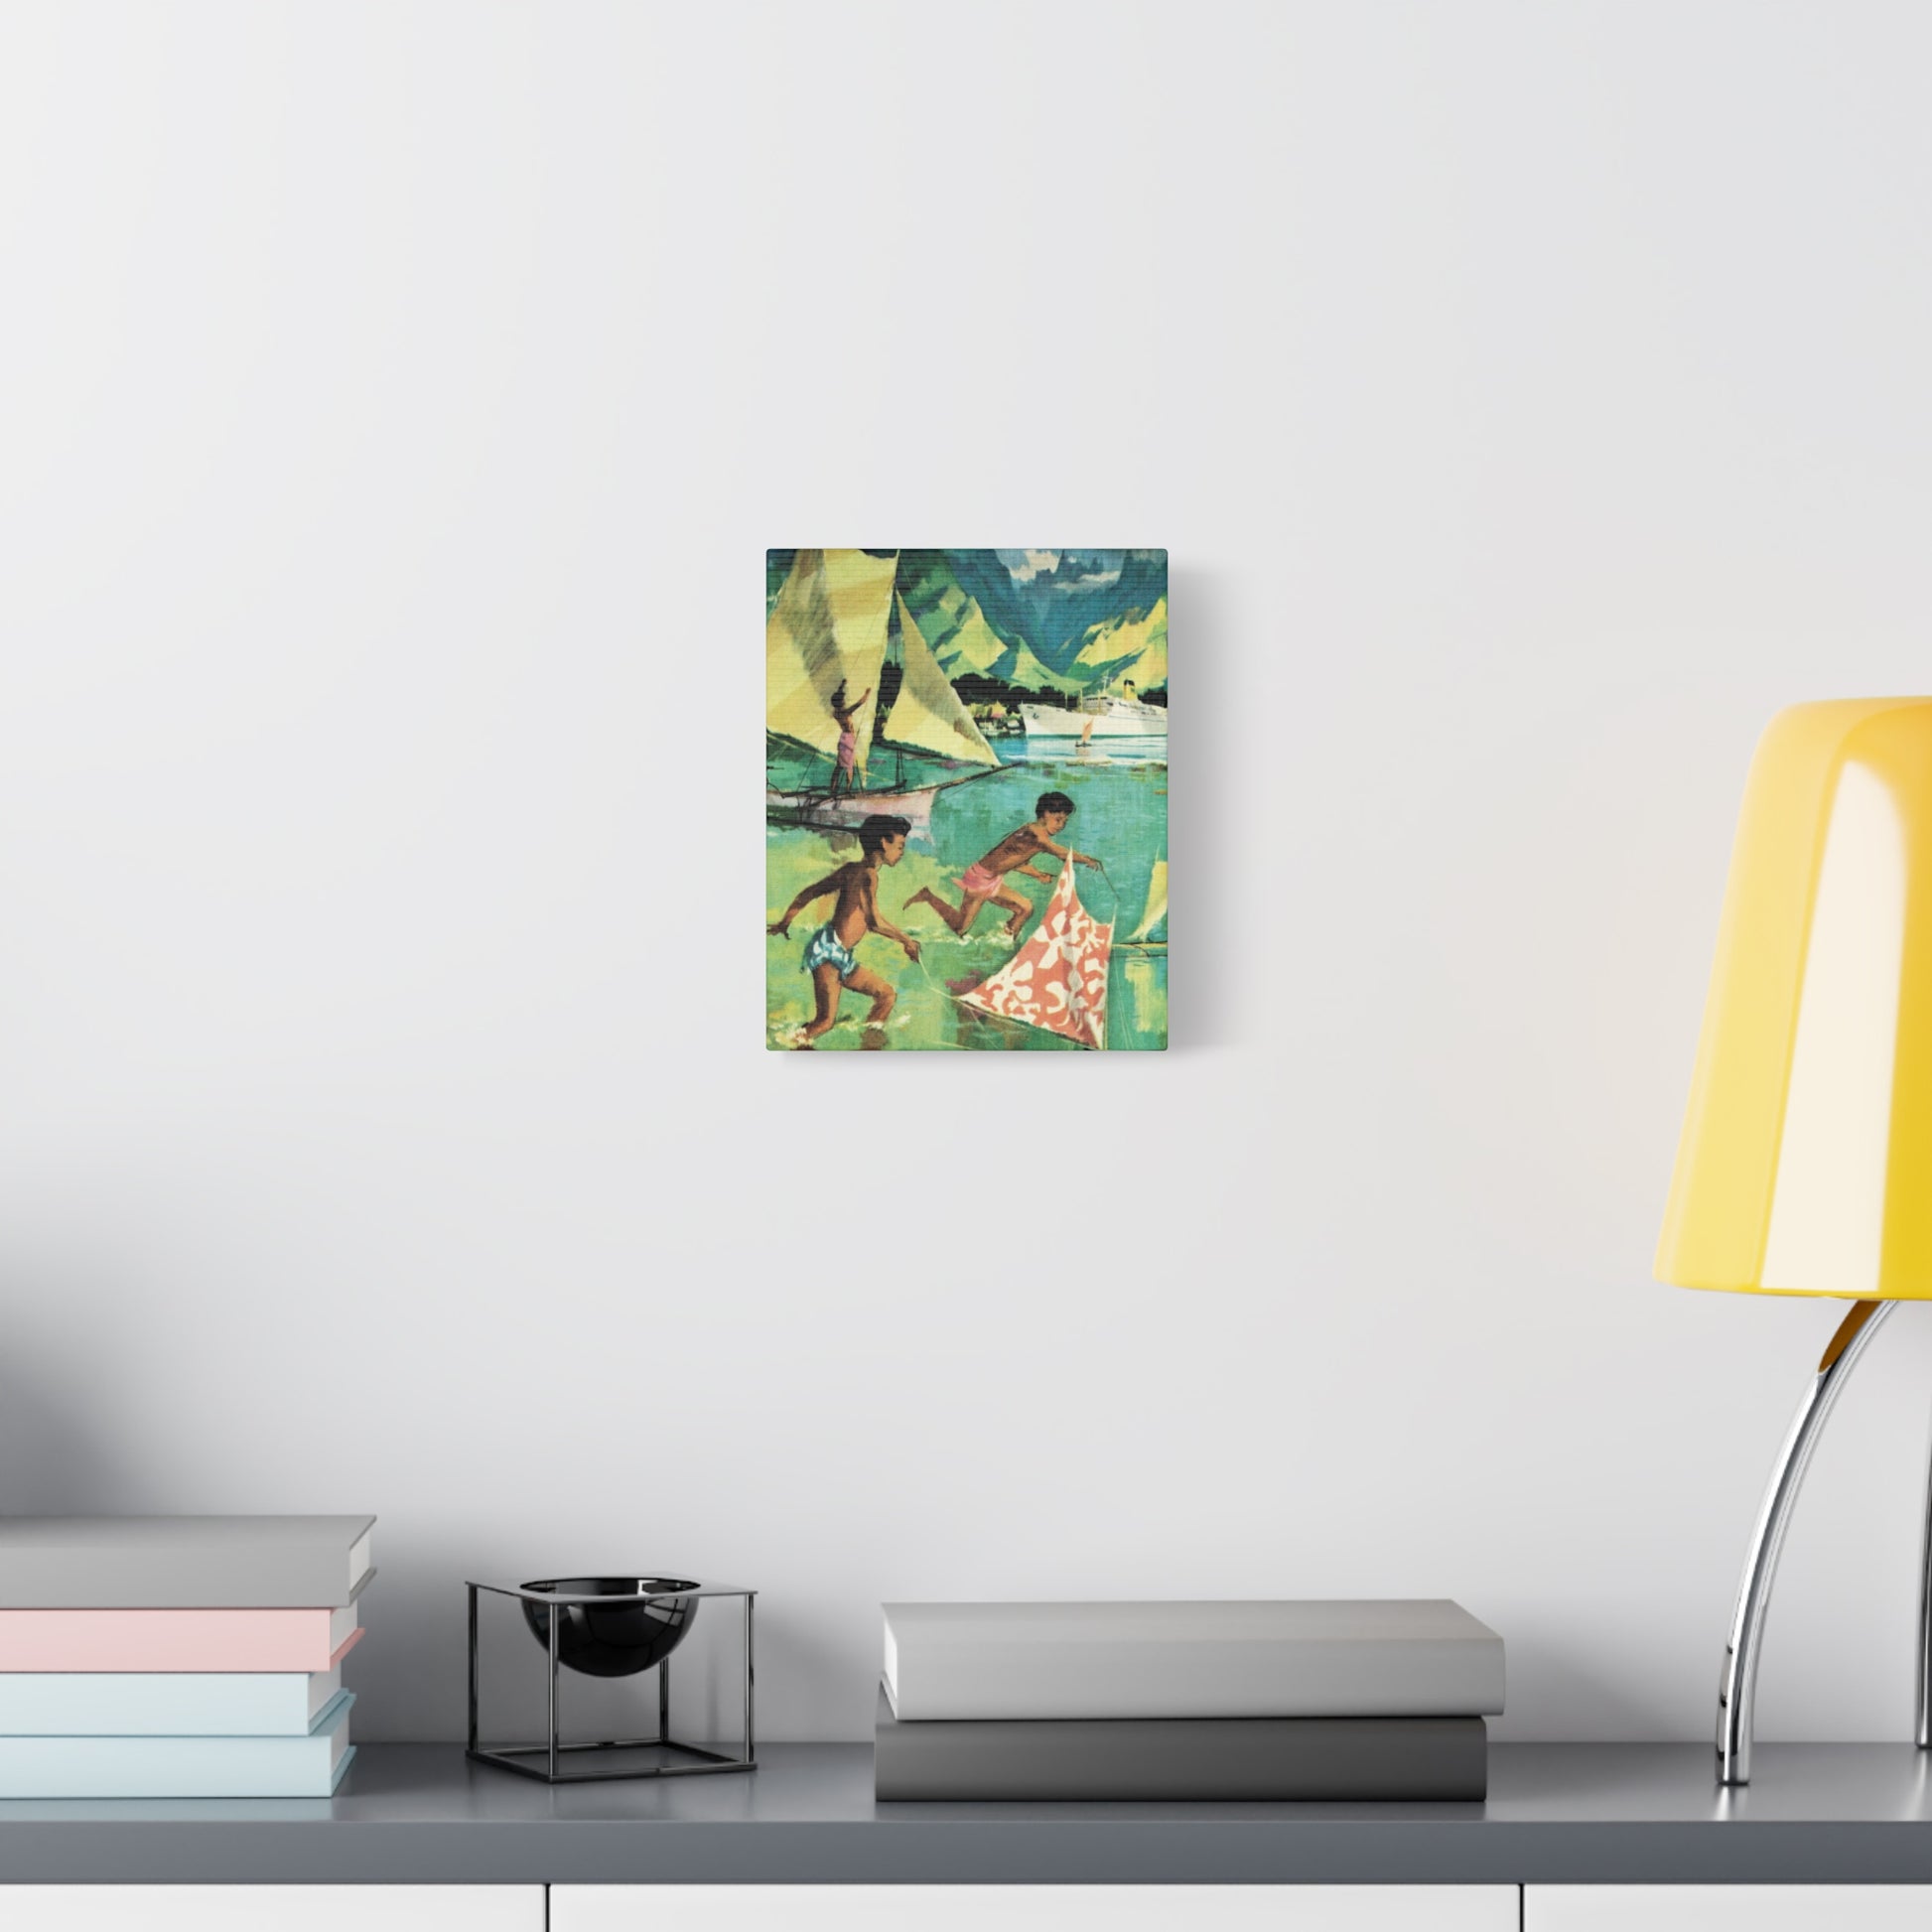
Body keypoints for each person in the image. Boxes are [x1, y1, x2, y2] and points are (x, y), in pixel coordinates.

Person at [767, 815, 920, 1045]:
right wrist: (906, 941)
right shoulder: (868, 875)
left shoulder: (851, 870)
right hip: (829, 953)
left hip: (839, 955)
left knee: (886, 995)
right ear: (883, 843)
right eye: (899, 846)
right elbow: (874, 921)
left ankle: (867, 1049)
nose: (901, 852)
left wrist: (785, 922)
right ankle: (788, 1047)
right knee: (825, 1021)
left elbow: (809, 892)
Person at [906, 790, 1099, 940]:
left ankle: (1006, 939)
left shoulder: (1032, 834)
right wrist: (1088, 860)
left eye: (1064, 821)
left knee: (1025, 908)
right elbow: (1061, 853)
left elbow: (1014, 862)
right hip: (979, 880)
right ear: (1045, 814)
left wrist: (1037, 874)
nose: (1061, 825)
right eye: (1058, 819)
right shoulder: (1037, 834)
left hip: (991, 878)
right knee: (959, 928)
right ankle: (928, 896)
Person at [828, 679, 871, 797]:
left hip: (843, 738)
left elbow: (839, 694)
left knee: (839, 766)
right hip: (849, 739)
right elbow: (859, 703)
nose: (844, 701)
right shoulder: (846, 712)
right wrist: (867, 694)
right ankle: (847, 790)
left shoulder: (837, 713)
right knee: (849, 767)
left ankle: (832, 789)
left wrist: (841, 685)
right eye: (843, 700)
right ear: (841, 703)